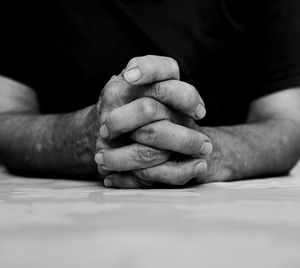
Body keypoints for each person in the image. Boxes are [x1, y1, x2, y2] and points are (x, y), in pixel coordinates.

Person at [0, 0, 300, 188]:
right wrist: (87, 135)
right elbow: (5, 118)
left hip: (218, 222)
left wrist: (202, 149)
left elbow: (287, 125)